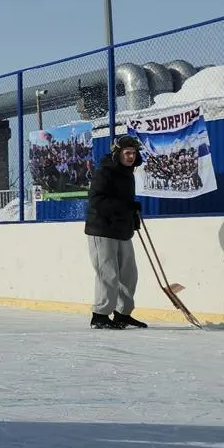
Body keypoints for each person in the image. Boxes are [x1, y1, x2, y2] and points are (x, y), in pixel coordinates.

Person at [86, 135, 146, 330]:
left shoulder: (128, 174)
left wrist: (132, 216)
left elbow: (124, 204)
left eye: (133, 153)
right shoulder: (104, 172)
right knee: (108, 274)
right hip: (102, 230)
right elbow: (96, 201)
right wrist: (125, 207)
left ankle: (122, 314)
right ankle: (100, 316)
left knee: (129, 275)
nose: (130, 157)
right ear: (117, 153)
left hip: (122, 230)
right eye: (127, 153)